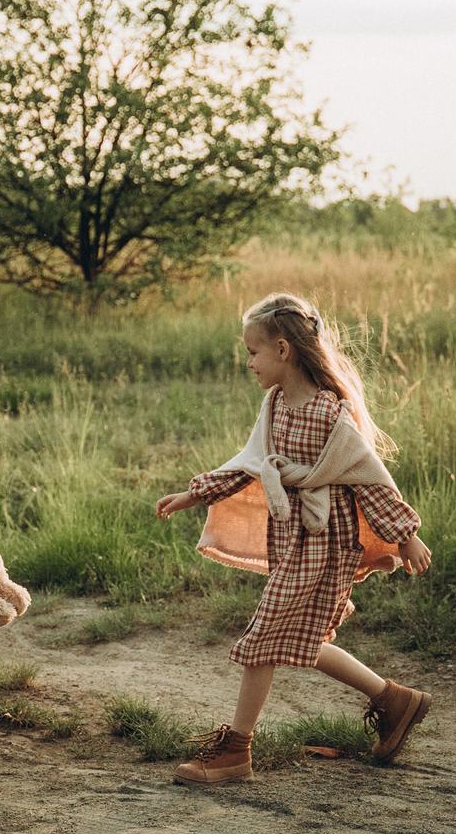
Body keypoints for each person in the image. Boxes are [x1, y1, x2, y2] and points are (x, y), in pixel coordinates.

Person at [156, 293, 432, 786]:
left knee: (264, 638)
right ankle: (394, 699)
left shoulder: (329, 411)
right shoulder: (277, 402)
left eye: (253, 352)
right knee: (299, 638)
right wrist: (195, 494)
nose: (249, 363)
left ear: (283, 349)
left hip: (326, 543)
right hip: (293, 539)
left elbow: (367, 476)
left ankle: (235, 752)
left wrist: (404, 534)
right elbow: (253, 463)